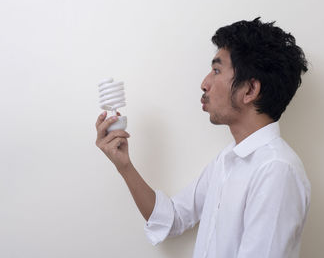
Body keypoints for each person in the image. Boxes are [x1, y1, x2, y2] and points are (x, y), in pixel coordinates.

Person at [95, 17, 311, 258]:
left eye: (217, 70)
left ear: (250, 90)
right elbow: (173, 219)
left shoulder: (276, 170)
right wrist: (124, 165)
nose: (204, 83)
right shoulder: (228, 159)